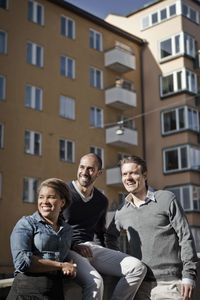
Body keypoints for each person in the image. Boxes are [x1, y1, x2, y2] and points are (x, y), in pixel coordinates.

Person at [106, 155, 198, 300]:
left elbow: (185, 237)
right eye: (124, 174)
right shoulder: (122, 210)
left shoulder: (166, 199)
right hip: (139, 286)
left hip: (170, 285)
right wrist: (122, 263)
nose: (128, 178)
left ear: (145, 175)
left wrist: (189, 275)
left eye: (133, 173)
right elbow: (110, 237)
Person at [63, 153, 147, 300]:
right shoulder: (64, 192)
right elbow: (51, 227)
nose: (84, 172)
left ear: (99, 173)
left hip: (91, 248)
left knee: (138, 267)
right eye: (82, 167)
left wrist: (107, 258)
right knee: (95, 282)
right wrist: (74, 245)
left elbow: (100, 233)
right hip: (68, 250)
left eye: (90, 169)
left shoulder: (101, 201)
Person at [7, 178, 77, 300]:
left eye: (51, 197)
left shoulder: (67, 230)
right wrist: (61, 265)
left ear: (62, 202)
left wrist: (68, 270)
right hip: (26, 293)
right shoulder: (26, 224)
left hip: (55, 292)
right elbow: (22, 262)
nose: (44, 201)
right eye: (41, 197)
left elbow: (60, 261)